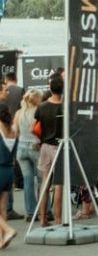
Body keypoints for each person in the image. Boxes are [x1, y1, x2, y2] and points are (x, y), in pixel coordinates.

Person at [36, 76, 64, 227]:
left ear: (50, 89)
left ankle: (42, 218)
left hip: (45, 146)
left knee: (45, 183)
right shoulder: (65, 107)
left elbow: (34, 127)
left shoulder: (42, 107)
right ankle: (58, 219)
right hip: (60, 145)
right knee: (58, 184)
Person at [14, 89, 42, 220]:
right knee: (43, 180)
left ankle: (30, 212)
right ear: (36, 99)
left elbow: (15, 132)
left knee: (28, 180)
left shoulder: (19, 113)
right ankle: (45, 211)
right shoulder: (38, 112)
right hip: (35, 147)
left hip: (21, 148)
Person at [0, 103, 17, 248]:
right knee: (2, 208)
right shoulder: (12, 129)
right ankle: (3, 239)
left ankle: (7, 230)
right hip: (9, 171)